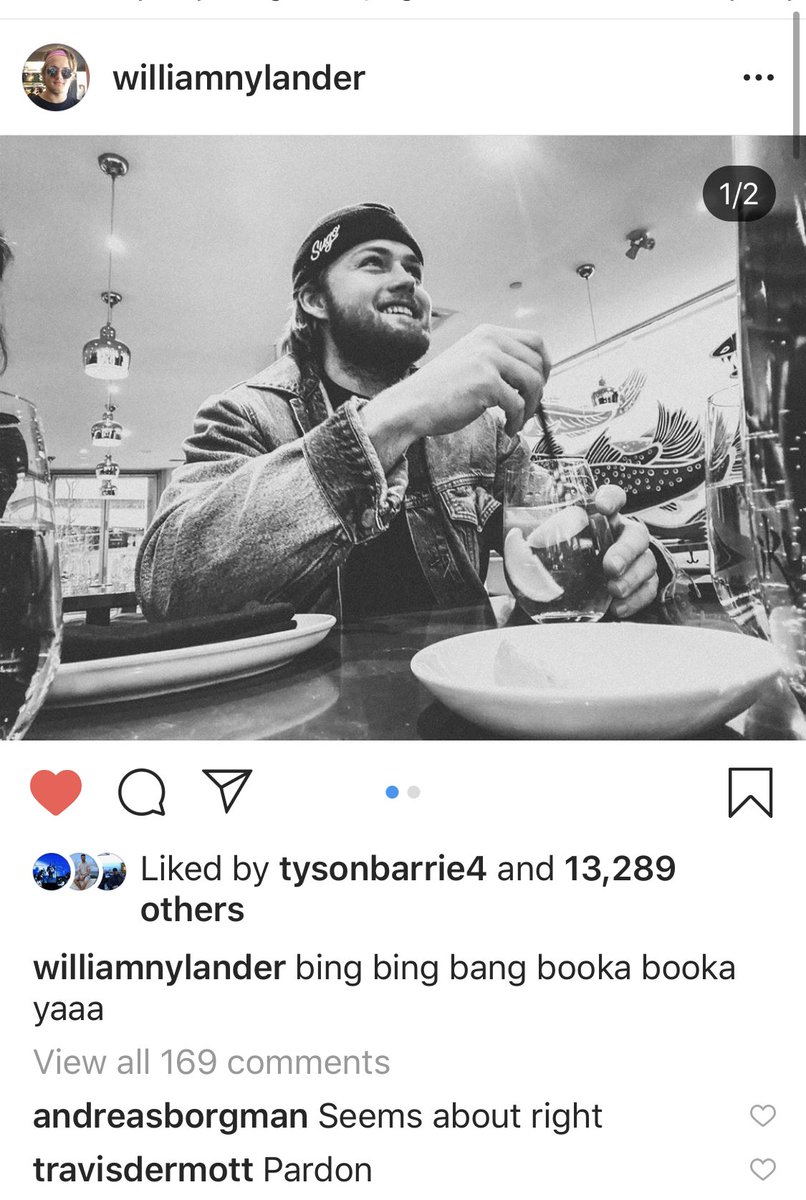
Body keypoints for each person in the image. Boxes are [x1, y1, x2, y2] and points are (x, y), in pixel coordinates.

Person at [137, 203, 660, 622]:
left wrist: (636, 559)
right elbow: (168, 585)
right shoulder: (244, 414)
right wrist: (394, 417)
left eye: (414, 269)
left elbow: (565, 521)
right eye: (374, 262)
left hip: (472, 693)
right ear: (314, 299)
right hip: (305, 710)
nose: (409, 280)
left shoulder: (481, 428)